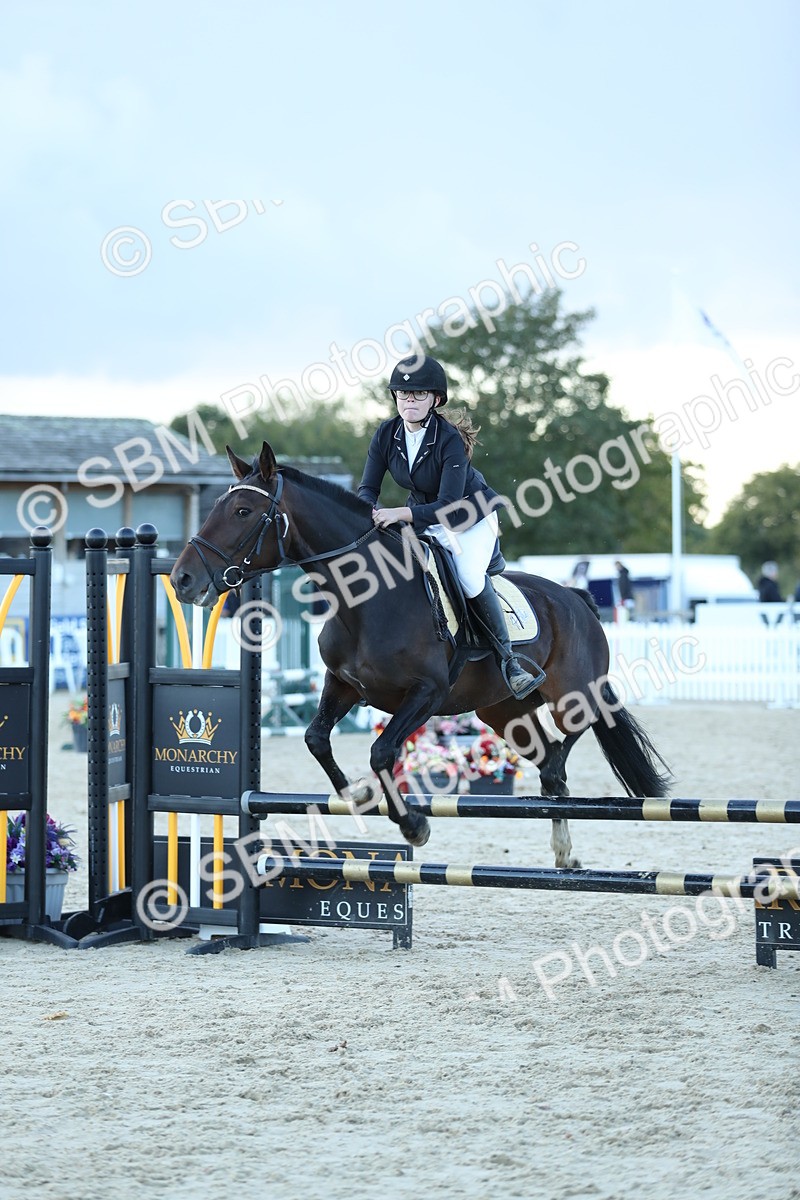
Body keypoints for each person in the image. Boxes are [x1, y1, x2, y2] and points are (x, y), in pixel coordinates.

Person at [357, 354, 545, 699]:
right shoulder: (386, 434)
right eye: (402, 394)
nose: (409, 400)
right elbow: (368, 488)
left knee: (469, 578)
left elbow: (447, 506)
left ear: (435, 400)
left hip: (470, 517)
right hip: (424, 516)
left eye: (418, 394)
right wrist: (366, 512)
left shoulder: (448, 439)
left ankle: (510, 663)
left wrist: (397, 514)